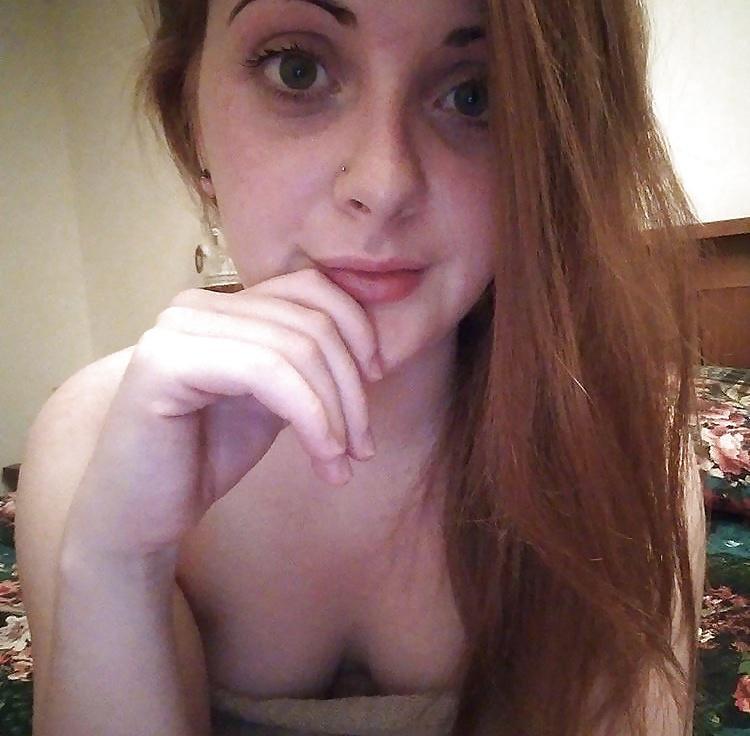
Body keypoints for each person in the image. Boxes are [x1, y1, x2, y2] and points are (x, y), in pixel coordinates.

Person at [14, 0, 707, 734]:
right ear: (191, 126)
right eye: (297, 70)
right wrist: (119, 563)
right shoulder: (92, 443)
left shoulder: (621, 435)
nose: (384, 183)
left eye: (475, 95)